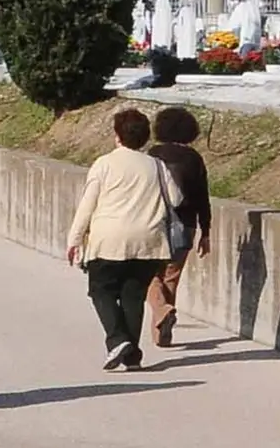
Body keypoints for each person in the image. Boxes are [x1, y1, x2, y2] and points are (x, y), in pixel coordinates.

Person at [65, 105, 176, 372]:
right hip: (148, 242)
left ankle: (118, 339)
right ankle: (132, 356)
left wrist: (74, 239)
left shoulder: (104, 164)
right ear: (145, 138)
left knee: (100, 290)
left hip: (109, 240)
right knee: (133, 295)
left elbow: (87, 205)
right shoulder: (157, 166)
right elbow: (176, 199)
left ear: (117, 135)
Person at [145, 104, 212, 348]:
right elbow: (202, 197)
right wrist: (206, 231)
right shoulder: (194, 158)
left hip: (155, 223)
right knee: (171, 277)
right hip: (186, 225)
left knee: (147, 275)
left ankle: (162, 310)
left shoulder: (153, 154)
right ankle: (162, 330)